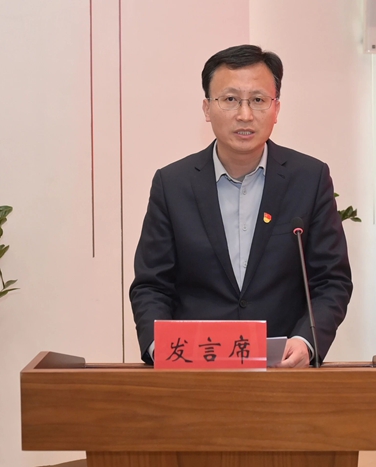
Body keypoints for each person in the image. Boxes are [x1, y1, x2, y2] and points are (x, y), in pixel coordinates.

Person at [129, 44, 352, 368]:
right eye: (230, 99)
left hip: (282, 368)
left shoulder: (310, 179)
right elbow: (152, 285)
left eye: (258, 100)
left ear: (276, 108)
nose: (244, 115)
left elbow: (331, 281)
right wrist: (159, 349)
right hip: (194, 369)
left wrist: (306, 342)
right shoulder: (172, 184)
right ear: (207, 108)